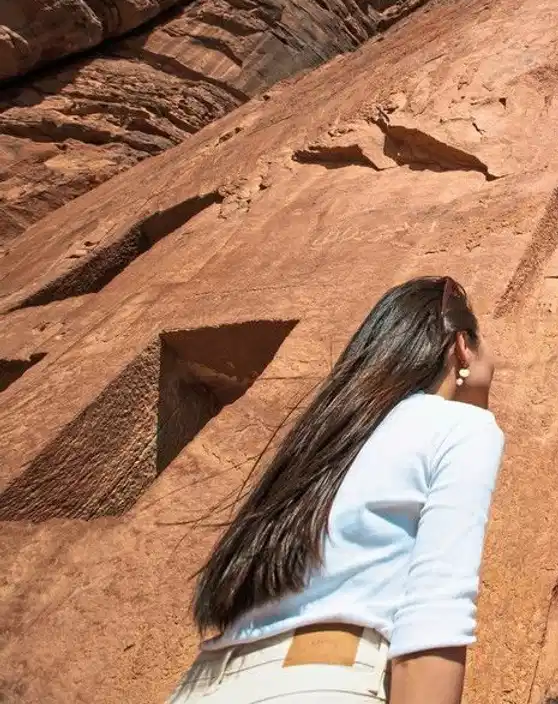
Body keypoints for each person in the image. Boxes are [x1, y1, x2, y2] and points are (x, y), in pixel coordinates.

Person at [169, 276, 506, 704]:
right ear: (462, 346)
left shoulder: (329, 436)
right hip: (322, 682)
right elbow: (436, 610)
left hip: (204, 686)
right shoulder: (462, 427)